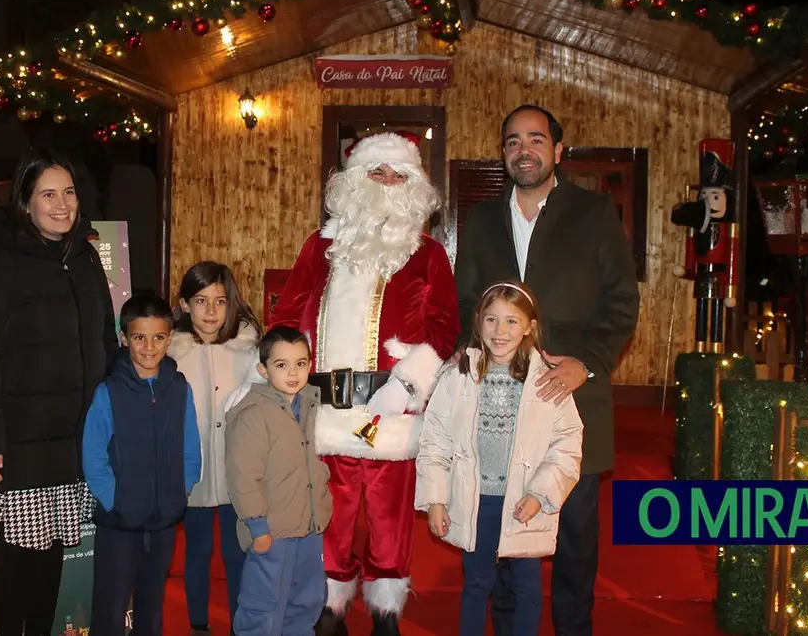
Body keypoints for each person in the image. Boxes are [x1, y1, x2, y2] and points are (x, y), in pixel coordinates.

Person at [454, 105, 640, 636]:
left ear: (558, 151)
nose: (524, 150)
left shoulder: (595, 212)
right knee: (510, 530)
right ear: (503, 153)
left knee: (575, 536)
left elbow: (622, 302)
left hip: (572, 396)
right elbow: (468, 299)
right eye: (513, 141)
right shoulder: (484, 220)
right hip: (502, 401)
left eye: (536, 140)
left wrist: (591, 362)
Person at [269, 131, 460, 635]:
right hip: (328, 409)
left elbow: (445, 328)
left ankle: (385, 610)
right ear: (355, 180)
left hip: (391, 413)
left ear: (415, 185)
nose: (388, 183)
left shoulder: (428, 255)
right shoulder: (322, 246)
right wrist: (281, 382)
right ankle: (330, 608)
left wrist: (407, 385)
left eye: (400, 175)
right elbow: (287, 316)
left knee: (390, 518)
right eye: (377, 172)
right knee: (329, 513)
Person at [0, 151, 119, 636]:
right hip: (19, 439)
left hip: (73, 437)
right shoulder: (0, 262)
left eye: (68, 192)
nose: (62, 204)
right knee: (20, 550)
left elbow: (105, 344)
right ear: (26, 203)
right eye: (48, 194)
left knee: (51, 555)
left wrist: (111, 421)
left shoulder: (84, 257)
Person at [416, 282, 583, 636]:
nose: (500, 331)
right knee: (476, 584)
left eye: (511, 321)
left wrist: (540, 494)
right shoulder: (457, 377)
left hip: (524, 502)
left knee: (527, 590)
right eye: (491, 320)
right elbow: (434, 440)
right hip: (475, 501)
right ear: (479, 323)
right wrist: (435, 498)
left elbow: (567, 444)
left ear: (529, 328)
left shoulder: (546, 382)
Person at [82, 295, 203, 636]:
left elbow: (190, 445)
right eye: (139, 337)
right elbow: (93, 455)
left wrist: (182, 488)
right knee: (110, 607)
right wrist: (114, 499)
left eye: (158, 337)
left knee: (151, 607)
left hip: (163, 519)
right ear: (124, 338)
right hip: (119, 522)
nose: (149, 347)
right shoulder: (109, 391)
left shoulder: (179, 389)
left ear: (169, 338)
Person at [170, 262, 262, 635]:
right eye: (201, 301)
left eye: (220, 301)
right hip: (192, 471)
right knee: (197, 551)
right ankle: (198, 624)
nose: (211, 311)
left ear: (232, 303)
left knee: (237, 551)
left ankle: (241, 623)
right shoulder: (172, 351)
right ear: (184, 304)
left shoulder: (248, 350)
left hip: (235, 471)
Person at [224, 326, 333, 636]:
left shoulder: (312, 404)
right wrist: (258, 527)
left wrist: (323, 503)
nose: (293, 373)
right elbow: (243, 477)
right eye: (281, 365)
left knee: (307, 599)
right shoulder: (253, 413)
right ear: (263, 369)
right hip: (272, 530)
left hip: (309, 524)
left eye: (300, 363)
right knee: (264, 604)